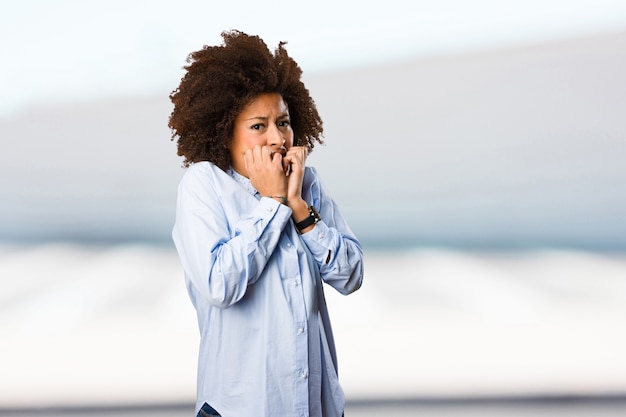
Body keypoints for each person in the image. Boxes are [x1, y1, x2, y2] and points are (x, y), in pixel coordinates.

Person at [169, 30, 364, 417]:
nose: (277, 137)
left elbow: (351, 275)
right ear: (225, 132)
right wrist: (273, 203)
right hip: (240, 407)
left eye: (284, 122)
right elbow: (219, 285)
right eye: (258, 126)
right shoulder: (204, 185)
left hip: (316, 406)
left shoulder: (306, 183)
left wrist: (297, 207)